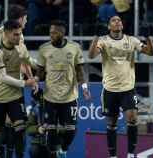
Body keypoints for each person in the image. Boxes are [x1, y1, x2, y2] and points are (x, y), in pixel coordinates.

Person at [88, 15, 153, 158]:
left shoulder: (131, 40)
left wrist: (148, 37)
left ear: (122, 26)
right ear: (109, 26)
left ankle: (131, 154)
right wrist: (95, 36)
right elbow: (91, 55)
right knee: (111, 124)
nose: (117, 22)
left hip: (128, 88)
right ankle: (113, 155)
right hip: (110, 89)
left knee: (132, 118)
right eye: (113, 20)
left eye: (119, 20)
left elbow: (151, 52)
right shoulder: (104, 41)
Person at [35, 20, 91, 158]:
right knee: (51, 131)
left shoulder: (74, 47)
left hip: (69, 96)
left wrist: (84, 87)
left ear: (62, 33)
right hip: (50, 96)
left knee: (71, 130)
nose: (51, 35)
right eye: (50, 33)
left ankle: (64, 150)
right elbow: (40, 71)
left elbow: (79, 70)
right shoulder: (44, 49)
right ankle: (54, 153)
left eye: (54, 32)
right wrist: (35, 82)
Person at [0, 20, 36, 158]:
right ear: (6, 34)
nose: (19, 37)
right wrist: (25, 83)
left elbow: (28, 62)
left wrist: (45, 66)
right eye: (15, 35)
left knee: (20, 129)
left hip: (15, 97)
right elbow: (2, 77)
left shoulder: (21, 47)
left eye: (20, 34)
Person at [26, 89, 51, 158]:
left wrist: (50, 128)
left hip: (51, 140)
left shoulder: (53, 107)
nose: (34, 101)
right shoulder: (34, 110)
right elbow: (28, 128)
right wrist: (38, 129)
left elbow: (62, 126)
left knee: (52, 150)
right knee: (34, 150)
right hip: (37, 141)